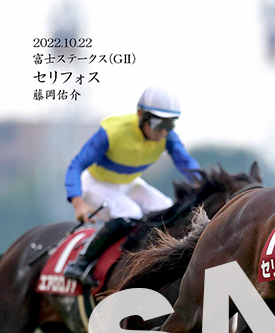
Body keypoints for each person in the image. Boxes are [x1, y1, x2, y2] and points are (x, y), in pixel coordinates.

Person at [62, 86, 200, 285]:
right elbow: (76, 165)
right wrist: (78, 204)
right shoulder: (112, 132)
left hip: (128, 183)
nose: (163, 131)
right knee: (130, 212)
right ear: (141, 115)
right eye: (158, 123)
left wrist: (204, 183)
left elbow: (186, 164)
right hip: (95, 184)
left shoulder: (167, 136)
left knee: (166, 209)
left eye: (169, 124)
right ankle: (82, 262)